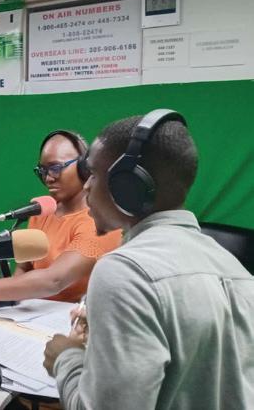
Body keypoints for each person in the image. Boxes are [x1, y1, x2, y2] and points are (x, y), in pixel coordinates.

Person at [43, 110, 254, 409]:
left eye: (93, 174)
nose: (86, 186)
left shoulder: (124, 271)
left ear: (128, 185)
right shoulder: (236, 270)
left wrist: (66, 357)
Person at [0, 130, 122, 309]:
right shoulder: (43, 209)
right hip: (30, 314)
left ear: (84, 167)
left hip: (75, 318)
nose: (48, 178)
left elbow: (54, 280)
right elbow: (24, 268)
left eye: (55, 168)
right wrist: (1, 301)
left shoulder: (101, 222)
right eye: (42, 171)